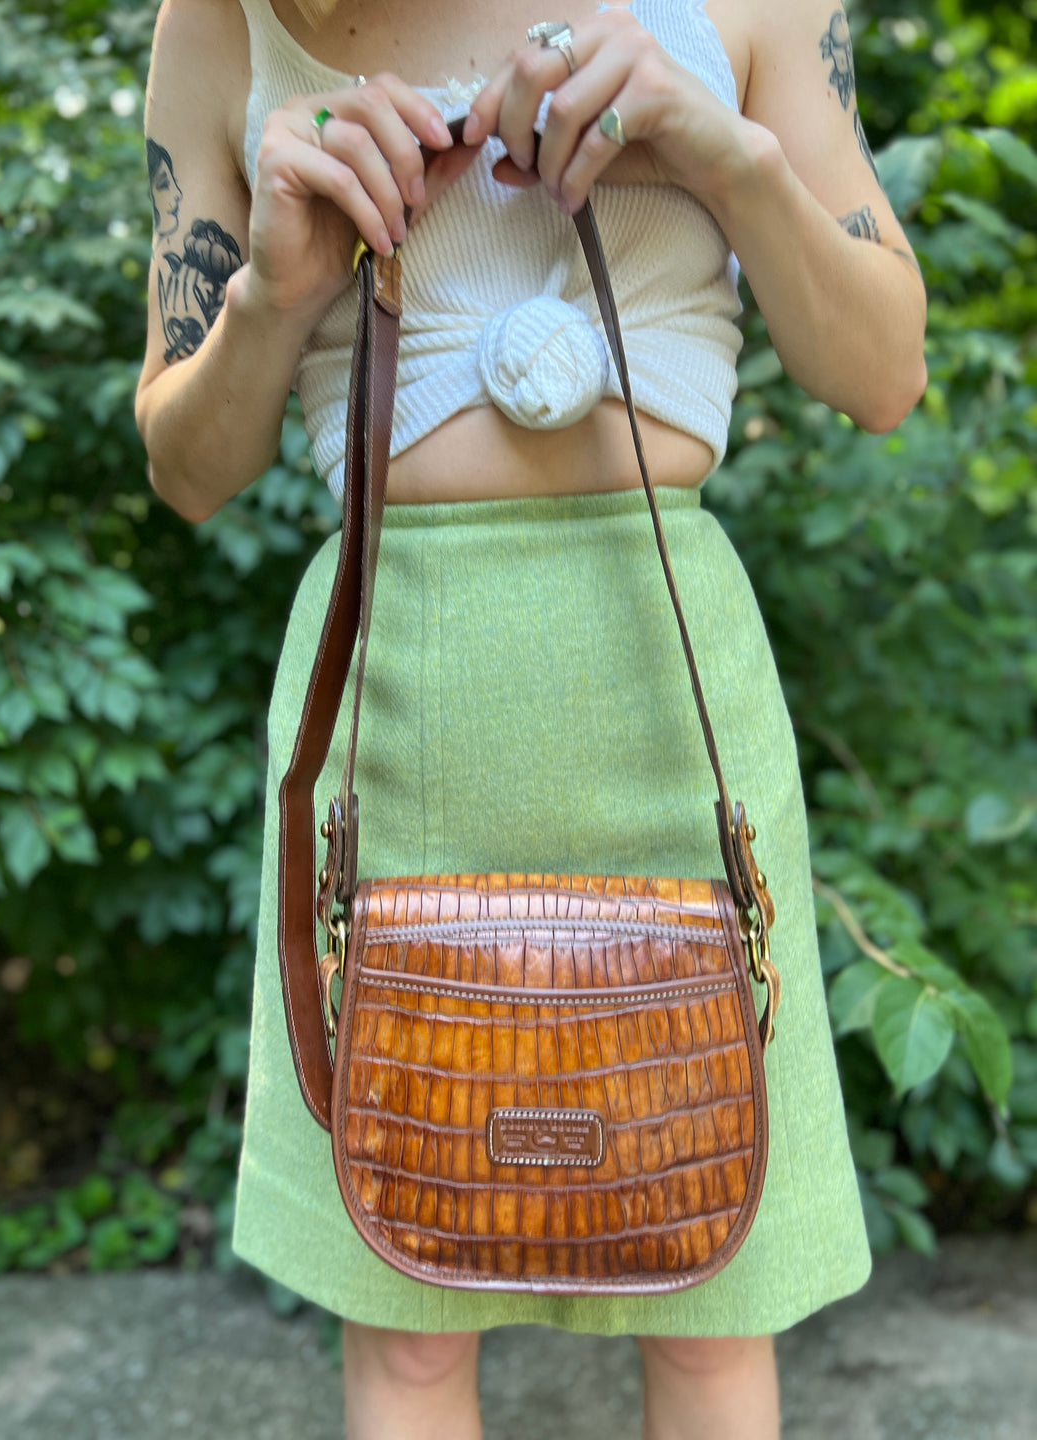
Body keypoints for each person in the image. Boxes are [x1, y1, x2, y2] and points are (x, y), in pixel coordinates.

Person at [135, 0, 927, 1435]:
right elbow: (187, 466)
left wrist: (724, 156)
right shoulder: (219, 25)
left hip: (669, 702)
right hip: (392, 702)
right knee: (409, 1321)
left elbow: (885, 372)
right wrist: (274, 289)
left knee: (707, 1299)